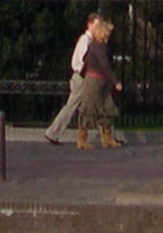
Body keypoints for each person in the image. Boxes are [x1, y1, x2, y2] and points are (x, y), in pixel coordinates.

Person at [43, 13, 101, 145]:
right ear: (89, 24)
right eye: (96, 25)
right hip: (81, 78)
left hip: (83, 77)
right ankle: (53, 132)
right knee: (76, 105)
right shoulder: (85, 41)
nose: (98, 28)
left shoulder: (90, 41)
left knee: (95, 104)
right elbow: (84, 61)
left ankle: (107, 133)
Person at [73, 17, 123, 150]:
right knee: (88, 109)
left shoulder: (96, 46)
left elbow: (86, 59)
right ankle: (82, 140)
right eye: (108, 33)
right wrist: (116, 81)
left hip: (101, 82)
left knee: (107, 108)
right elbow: (105, 66)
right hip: (95, 82)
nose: (110, 35)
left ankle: (107, 139)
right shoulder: (99, 47)